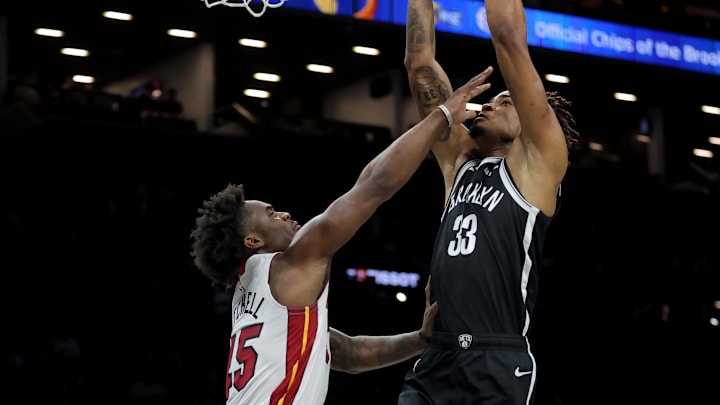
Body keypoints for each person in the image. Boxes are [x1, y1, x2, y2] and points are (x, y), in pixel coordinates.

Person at [189, 71, 493, 405]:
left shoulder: (248, 296)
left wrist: (420, 339)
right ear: (252, 241)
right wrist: (443, 115)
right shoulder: (290, 263)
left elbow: (349, 354)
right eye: (272, 213)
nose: (285, 214)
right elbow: (374, 184)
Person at [399, 0, 581, 404]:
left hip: (496, 360)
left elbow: (509, 38)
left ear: (533, 123)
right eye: (491, 100)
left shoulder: (539, 164)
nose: (487, 106)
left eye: (505, 102)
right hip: (436, 357)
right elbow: (418, 61)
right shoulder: (458, 161)